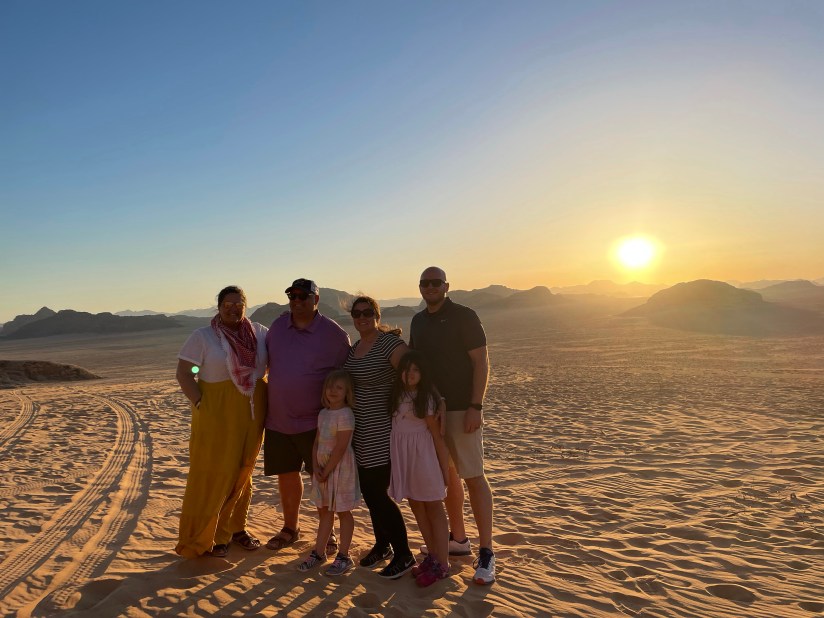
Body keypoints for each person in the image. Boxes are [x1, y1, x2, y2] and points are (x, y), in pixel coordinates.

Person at [409, 266, 496, 585]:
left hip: (462, 409)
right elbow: (416, 364)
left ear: (446, 286)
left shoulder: (464, 316)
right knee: (447, 477)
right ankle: (458, 539)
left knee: (473, 476)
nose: (430, 287)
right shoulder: (418, 321)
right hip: (433, 412)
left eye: (436, 282)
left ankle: (486, 551)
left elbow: (481, 362)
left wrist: (476, 406)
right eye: (425, 283)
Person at [175, 285, 268, 558]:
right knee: (215, 472)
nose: (233, 309)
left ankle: (237, 528)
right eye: (227, 304)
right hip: (216, 413)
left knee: (243, 471)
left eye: (238, 304)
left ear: (245, 306)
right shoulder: (202, 336)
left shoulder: (260, 333)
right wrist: (201, 403)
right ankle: (210, 535)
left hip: (252, 411)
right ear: (219, 307)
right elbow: (185, 373)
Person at [264, 278, 350, 554]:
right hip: (278, 420)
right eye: (292, 296)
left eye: (304, 296)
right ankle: (290, 528)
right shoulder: (278, 327)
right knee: (287, 475)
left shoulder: (333, 334)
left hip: (317, 423)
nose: (297, 301)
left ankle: (328, 531)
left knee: (321, 478)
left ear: (316, 299)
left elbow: (346, 376)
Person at [343, 296, 416, 579]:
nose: (362, 317)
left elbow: (412, 376)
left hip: (382, 430)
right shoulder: (355, 348)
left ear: (377, 315)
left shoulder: (389, 344)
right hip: (360, 431)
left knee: (378, 494)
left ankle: (404, 554)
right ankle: (382, 544)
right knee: (369, 493)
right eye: (357, 313)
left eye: (367, 313)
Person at [387, 351, 451, 587]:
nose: (410, 374)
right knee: (416, 505)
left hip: (424, 459)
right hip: (404, 460)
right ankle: (432, 556)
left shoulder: (427, 398)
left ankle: (443, 564)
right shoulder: (396, 394)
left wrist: (444, 471)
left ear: (423, 373)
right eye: (406, 369)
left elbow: (437, 437)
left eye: (416, 369)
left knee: (434, 506)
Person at [298, 370, 360, 576]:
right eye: (330, 387)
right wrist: (315, 466)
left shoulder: (346, 414)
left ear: (347, 392)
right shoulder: (324, 413)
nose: (333, 391)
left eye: (339, 388)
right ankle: (319, 552)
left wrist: (327, 470)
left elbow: (341, 447)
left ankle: (344, 555)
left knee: (343, 511)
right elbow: (316, 442)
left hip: (339, 468)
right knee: (325, 510)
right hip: (322, 467)